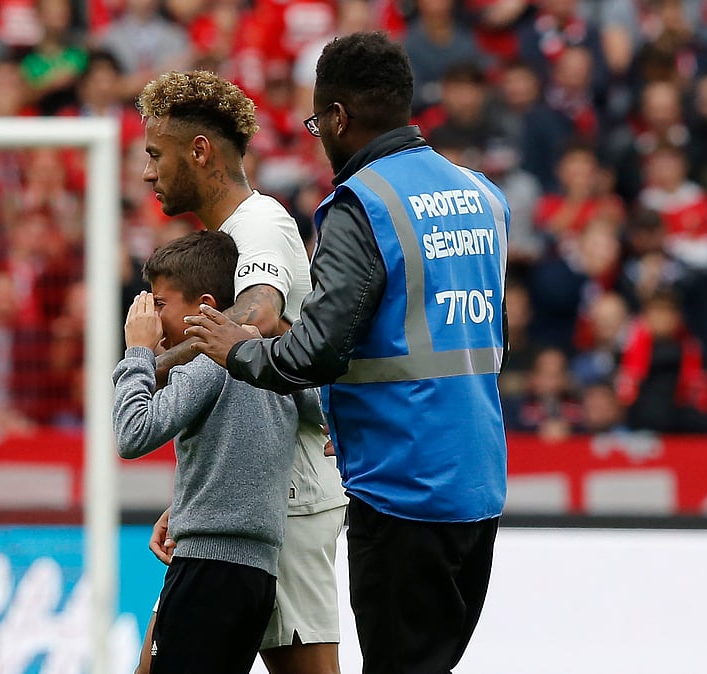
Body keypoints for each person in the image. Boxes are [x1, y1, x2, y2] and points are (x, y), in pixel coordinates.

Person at [185, 32, 509, 673]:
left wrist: (237, 351)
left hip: (401, 485)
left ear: (339, 116)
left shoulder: (364, 203)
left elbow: (319, 350)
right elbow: (474, 333)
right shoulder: (480, 194)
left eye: (316, 121)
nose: (318, 136)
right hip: (479, 479)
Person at [134, 69, 347, 674]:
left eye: (156, 154)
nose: (148, 171)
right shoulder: (225, 236)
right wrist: (205, 497)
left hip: (290, 496)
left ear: (199, 151)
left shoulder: (259, 224)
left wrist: (152, 361)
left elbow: (257, 314)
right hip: (245, 495)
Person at [113, 230, 312, 673]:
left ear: (205, 307)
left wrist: (137, 352)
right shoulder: (270, 357)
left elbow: (132, 432)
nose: (152, 315)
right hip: (255, 574)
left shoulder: (209, 361)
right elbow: (316, 403)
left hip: (209, 569)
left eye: (160, 305)